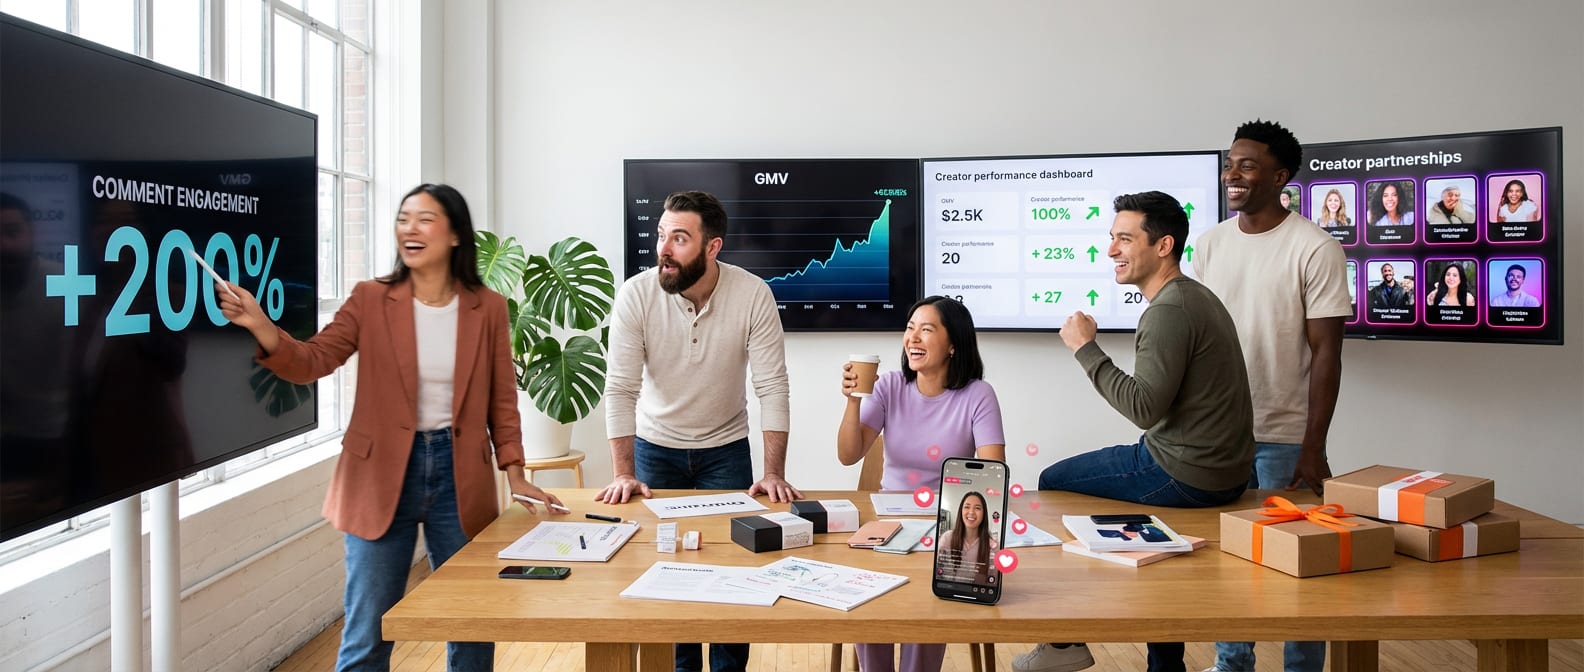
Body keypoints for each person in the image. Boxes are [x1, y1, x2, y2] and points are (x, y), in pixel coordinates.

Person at [216, 183, 567, 672]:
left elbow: (501, 399)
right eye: (404, 218)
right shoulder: (370, 299)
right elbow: (314, 360)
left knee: (470, 623)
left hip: (459, 476)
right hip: (379, 475)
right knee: (369, 631)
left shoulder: (486, 307)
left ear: (455, 235)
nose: (410, 228)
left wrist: (516, 473)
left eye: (425, 218)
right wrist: (261, 325)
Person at [1012, 191, 1254, 672]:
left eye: (1124, 239)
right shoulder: (1193, 297)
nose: (1111, 251)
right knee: (1149, 531)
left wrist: (1086, 348)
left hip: (1185, 472)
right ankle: (1163, 664)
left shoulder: (1168, 310)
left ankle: (1064, 644)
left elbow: (1144, 407)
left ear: (1163, 245)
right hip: (1224, 472)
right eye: (1111, 238)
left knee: (1053, 482)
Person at [599, 190, 801, 672]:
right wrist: (623, 472)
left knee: (735, 574)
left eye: (680, 239)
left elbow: (772, 386)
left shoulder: (753, 293)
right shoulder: (636, 295)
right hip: (654, 450)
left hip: (726, 452)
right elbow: (621, 388)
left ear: (712, 248)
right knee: (667, 573)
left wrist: (774, 472)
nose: (664, 249)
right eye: (661, 236)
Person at [1194, 120, 1352, 672]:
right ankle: (1231, 663)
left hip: (1283, 437)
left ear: (1280, 176)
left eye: (1248, 165)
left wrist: (1314, 444)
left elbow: (1327, 353)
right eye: (1230, 163)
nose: (1232, 174)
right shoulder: (1209, 244)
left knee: (1294, 568)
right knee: (1232, 563)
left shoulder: (1315, 248)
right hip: (1218, 437)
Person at [837, 294, 1005, 672]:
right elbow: (849, 455)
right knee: (869, 590)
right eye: (910, 328)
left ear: (952, 344)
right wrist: (852, 400)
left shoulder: (978, 394)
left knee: (934, 585)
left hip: (947, 523)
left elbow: (992, 471)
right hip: (889, 522)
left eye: (926, 329)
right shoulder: (890, 386)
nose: (913, 337)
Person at [935, 491, 998, 583]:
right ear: (961, 511)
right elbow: (938, 573)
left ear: (984, 514)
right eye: (967, 507)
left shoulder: (993, 546)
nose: (971, 512)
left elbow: (992, 581)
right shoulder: (946, 538)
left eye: (977, 508)